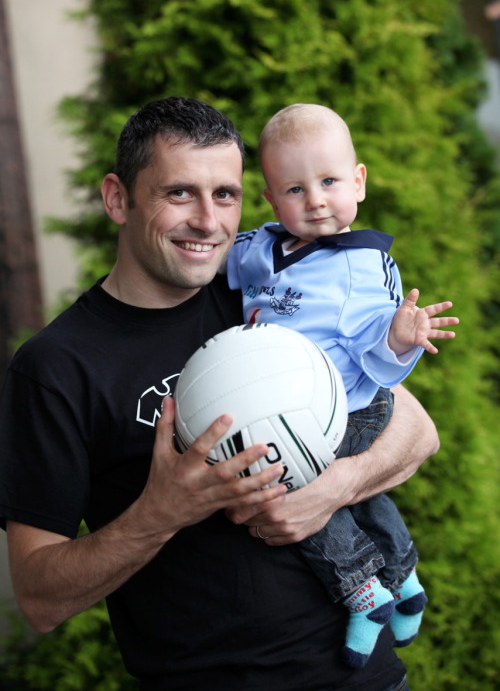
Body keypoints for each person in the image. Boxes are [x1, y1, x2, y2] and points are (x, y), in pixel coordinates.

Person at [0, 97, 439, 691]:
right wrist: (160, 514)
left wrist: (331, 489)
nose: (209, 221)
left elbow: (413, 428)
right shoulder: (57, 368)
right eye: (178, 193)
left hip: (366, 680)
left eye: (225, 194)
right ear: (117, 198)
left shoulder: (268, 299)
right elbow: (38, 597)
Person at [225, 103, 458, 669]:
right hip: (292, 404)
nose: (316, 200)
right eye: (295, 189)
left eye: (329, 182)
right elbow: (221, 267)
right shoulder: (260, 247)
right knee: (360, 492)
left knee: (289, 482)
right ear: (271, 200)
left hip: (350, 408)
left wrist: (401, 337)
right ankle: (403, 579)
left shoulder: (364, 266)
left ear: (358, 181)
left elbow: (375, 348)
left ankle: (361, 590)